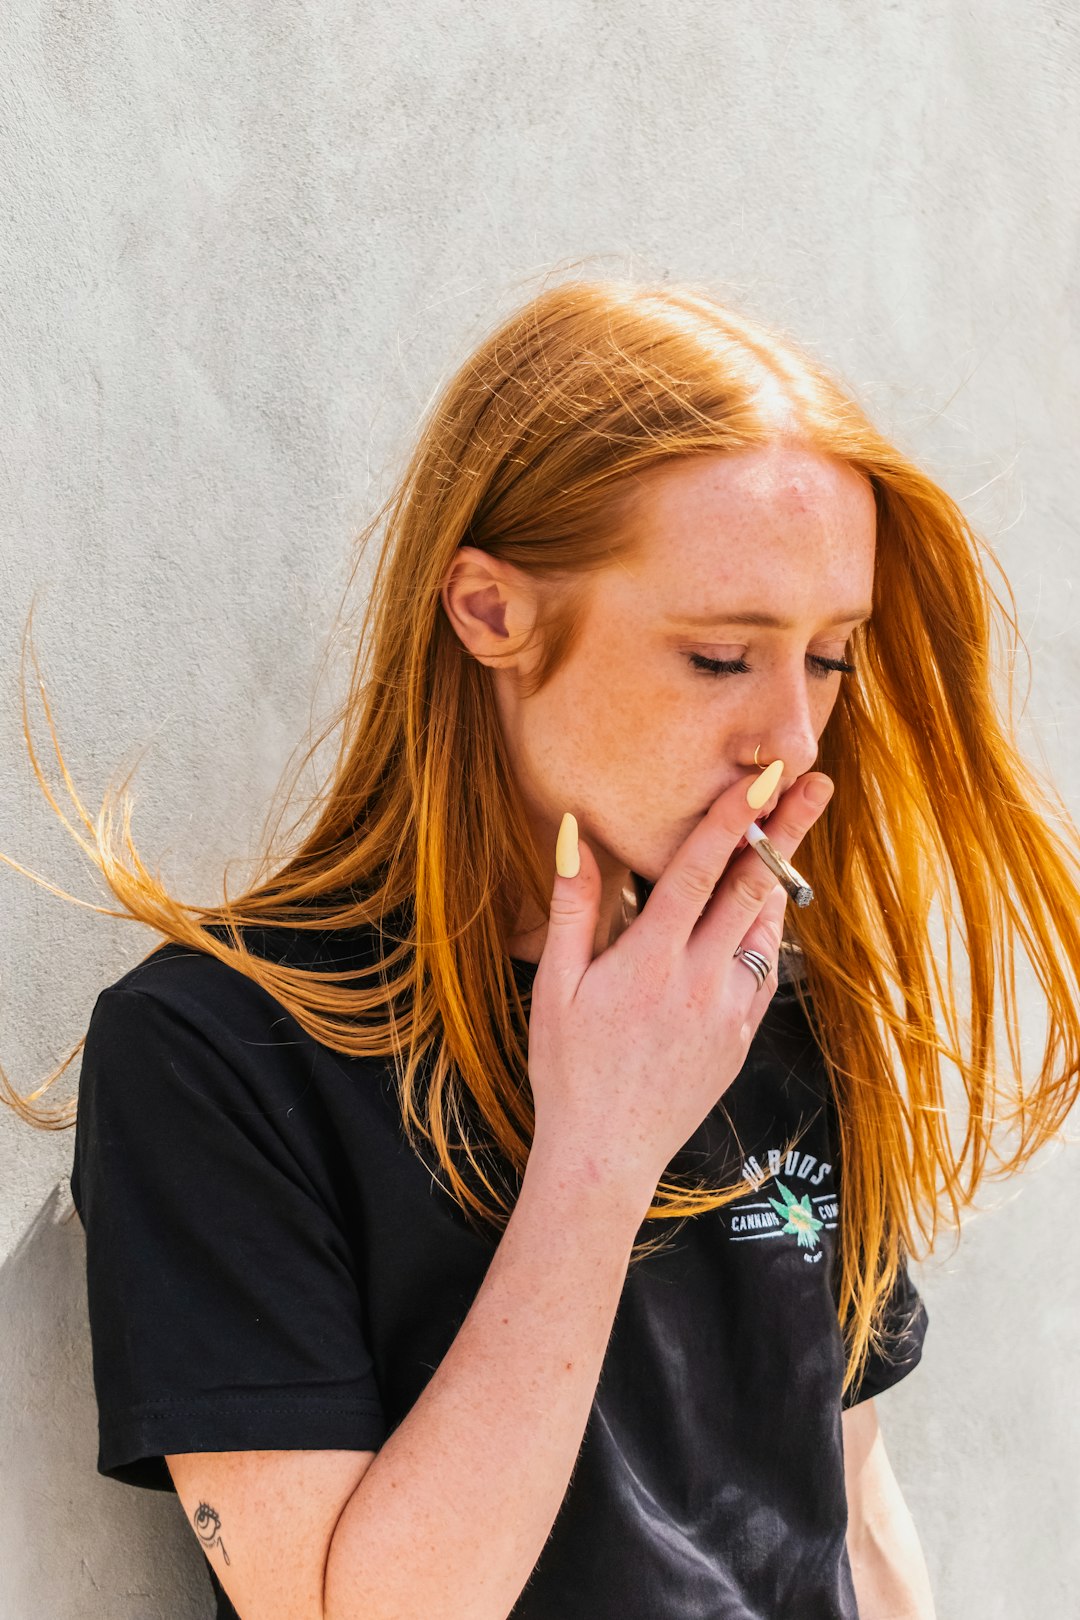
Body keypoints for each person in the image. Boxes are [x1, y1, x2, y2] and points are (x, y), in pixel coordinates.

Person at [5, 278, 1080, 1620]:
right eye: (719, 656)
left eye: (828, 658)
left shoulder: (771, 1002)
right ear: (489, 613)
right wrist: (601, 1150)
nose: (793, 740)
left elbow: (852, 1514)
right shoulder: (219, 1053)